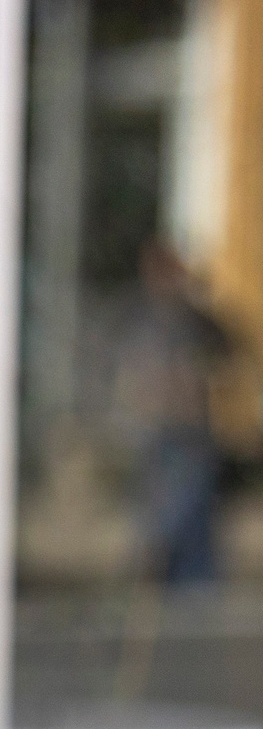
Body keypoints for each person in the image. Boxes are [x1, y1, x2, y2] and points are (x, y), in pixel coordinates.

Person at [112, 240, 238, 586]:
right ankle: (161, 588)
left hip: (190, 434)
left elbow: (228, 350)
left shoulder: (193, 318)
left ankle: (189, 603)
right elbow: (127, 376)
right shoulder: (139, 317)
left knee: (192, 525)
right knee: (162, 524)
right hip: (158, 435)